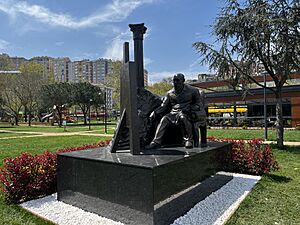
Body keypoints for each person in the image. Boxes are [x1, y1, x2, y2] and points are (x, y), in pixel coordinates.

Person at [146, 73, 202, 149]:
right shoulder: (170, 93)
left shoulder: (193, 90)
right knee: (164, 119)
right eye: (174, 81)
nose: (175, 83)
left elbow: (199, 104)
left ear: (183, 81)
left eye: (177, 80)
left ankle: (188, 140)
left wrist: (190, 108)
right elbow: (163, 106)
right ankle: (156, 142)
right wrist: (155, 112)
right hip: (173, 113)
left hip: (187, 112)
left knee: (183, 117)